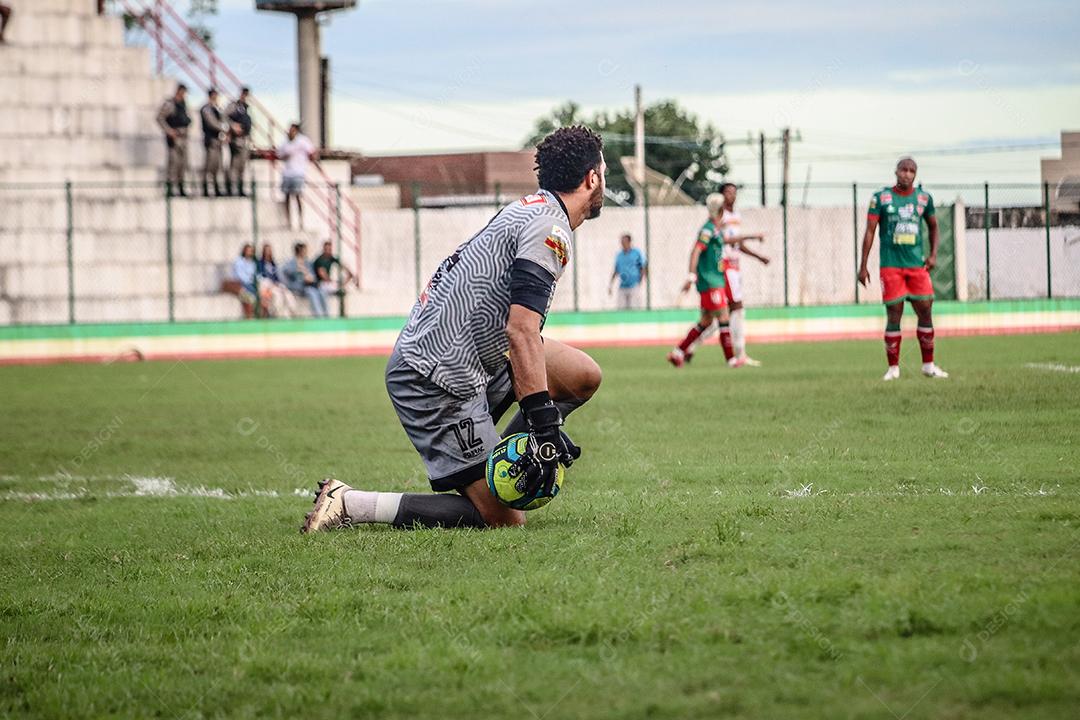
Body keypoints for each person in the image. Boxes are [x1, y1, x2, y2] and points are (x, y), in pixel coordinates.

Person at [302, 126, 606, 532]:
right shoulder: (549, 229)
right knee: (502, 519)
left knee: (582, 376)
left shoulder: (535, 210)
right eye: (604, 170)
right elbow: (521, 331)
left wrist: (538, 423)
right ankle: (350, 503)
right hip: (436, 376)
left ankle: (507, 457)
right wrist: (544, 424)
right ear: (591, 178)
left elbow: (518, 332)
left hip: (472, 355)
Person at [858, 157, 948, 381]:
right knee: (894, 313)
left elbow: (934, 227)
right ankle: (893, 368)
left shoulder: (924, 198)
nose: (907, 174)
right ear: (896, 172)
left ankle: (928, 365)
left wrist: (934, 254)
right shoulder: (881, 198)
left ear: (915, 175)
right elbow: (870, 231)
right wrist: (863, 265)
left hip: (916, 266)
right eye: (904, 170)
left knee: (925, 310)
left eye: (912, 171)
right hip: (891, 266)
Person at [667, 193, 757, 368]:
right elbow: (696, 251)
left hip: (715, 280)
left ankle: (678, 352)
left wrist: (751, 236)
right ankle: (731, 360)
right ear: (722, 210)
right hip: (710, 282)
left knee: (706, 321)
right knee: (723, 316)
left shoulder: (715, 229)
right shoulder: (707, 229)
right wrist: (691, 276)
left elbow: (728, 240)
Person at [688, 182, 769, 365]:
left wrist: (758, 256)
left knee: (716, 316)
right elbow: (724, 242)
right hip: (724, 269)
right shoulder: (719, 219)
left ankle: (690, 346)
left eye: (733, 192)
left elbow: (736, 243)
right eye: (727, 192)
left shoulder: (735, 217)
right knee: (735, 309)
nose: (731, 196)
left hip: (734, 267)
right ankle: (738, 354)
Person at [275, 123, 318, 229]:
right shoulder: (285, 143)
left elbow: (312, 152)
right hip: (287, 173)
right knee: (287, 197)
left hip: (298, 173)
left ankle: (300, 222)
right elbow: (279, 155)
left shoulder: (303, 141)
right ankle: (288, 222)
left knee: (298, 196)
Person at [156, 84, 191, 197]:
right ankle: (170, 189)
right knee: (173, 163)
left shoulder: (183, 104)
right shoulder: (170, 104)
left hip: (183, 137)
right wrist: (169, 131)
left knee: (182, 163)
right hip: (174, 138)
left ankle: (181, 187)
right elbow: (160, 118)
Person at [282, 242, 327, 317]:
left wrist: (310, 278)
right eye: (304, 250)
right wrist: (298, 270)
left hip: (310, 285)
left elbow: (312, 275)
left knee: (322, 292)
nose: (306, 252)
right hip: (300, 287)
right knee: (312, 293)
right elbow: (286, 271)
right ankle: (319, 316)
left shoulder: (307, 262)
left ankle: (326, 315)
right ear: (300, 250)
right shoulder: (292, 262)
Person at [199, 88, 227, 197]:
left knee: (217, 166)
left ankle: (216, 188)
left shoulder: (217, 109)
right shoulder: (206, 109)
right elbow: (212, 123)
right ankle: (205, 188)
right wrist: (224, 129)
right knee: (209, 165)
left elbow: (223, 119)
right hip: (211, 140)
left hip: (218, 141)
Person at [225, 87, 252, 197]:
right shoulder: (234, 106)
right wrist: (233, 126)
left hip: (244, 139)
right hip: (236, 140)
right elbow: (224, 116)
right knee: (234, 166)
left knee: (242, 166)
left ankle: (240, 188)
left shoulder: (245, 108)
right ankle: (231, 188)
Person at [608, 233, 646, 309]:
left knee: (634, 307)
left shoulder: (636, 253)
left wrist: (640, 281)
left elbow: (642, 267)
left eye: (624, 242)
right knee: (621, 308)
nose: (622, 244)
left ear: (629, 242)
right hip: (623, 286)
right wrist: (611, 284)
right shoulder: (619, 255)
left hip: (633, 285)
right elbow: (616, 270)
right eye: (621, 242)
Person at [257, 245, 296, 318]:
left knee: (287, 293)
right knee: (278, 295)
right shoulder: (260, 263)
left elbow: (276, 277)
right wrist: (271, 284)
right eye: (266, 250)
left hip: (275, 284)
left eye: (269, 250)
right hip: (267, 284)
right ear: (263, 252)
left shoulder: (273, 263)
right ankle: (278, 315)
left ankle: (291, 312)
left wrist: (277, 283)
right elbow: (261, 277)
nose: (268, 252)